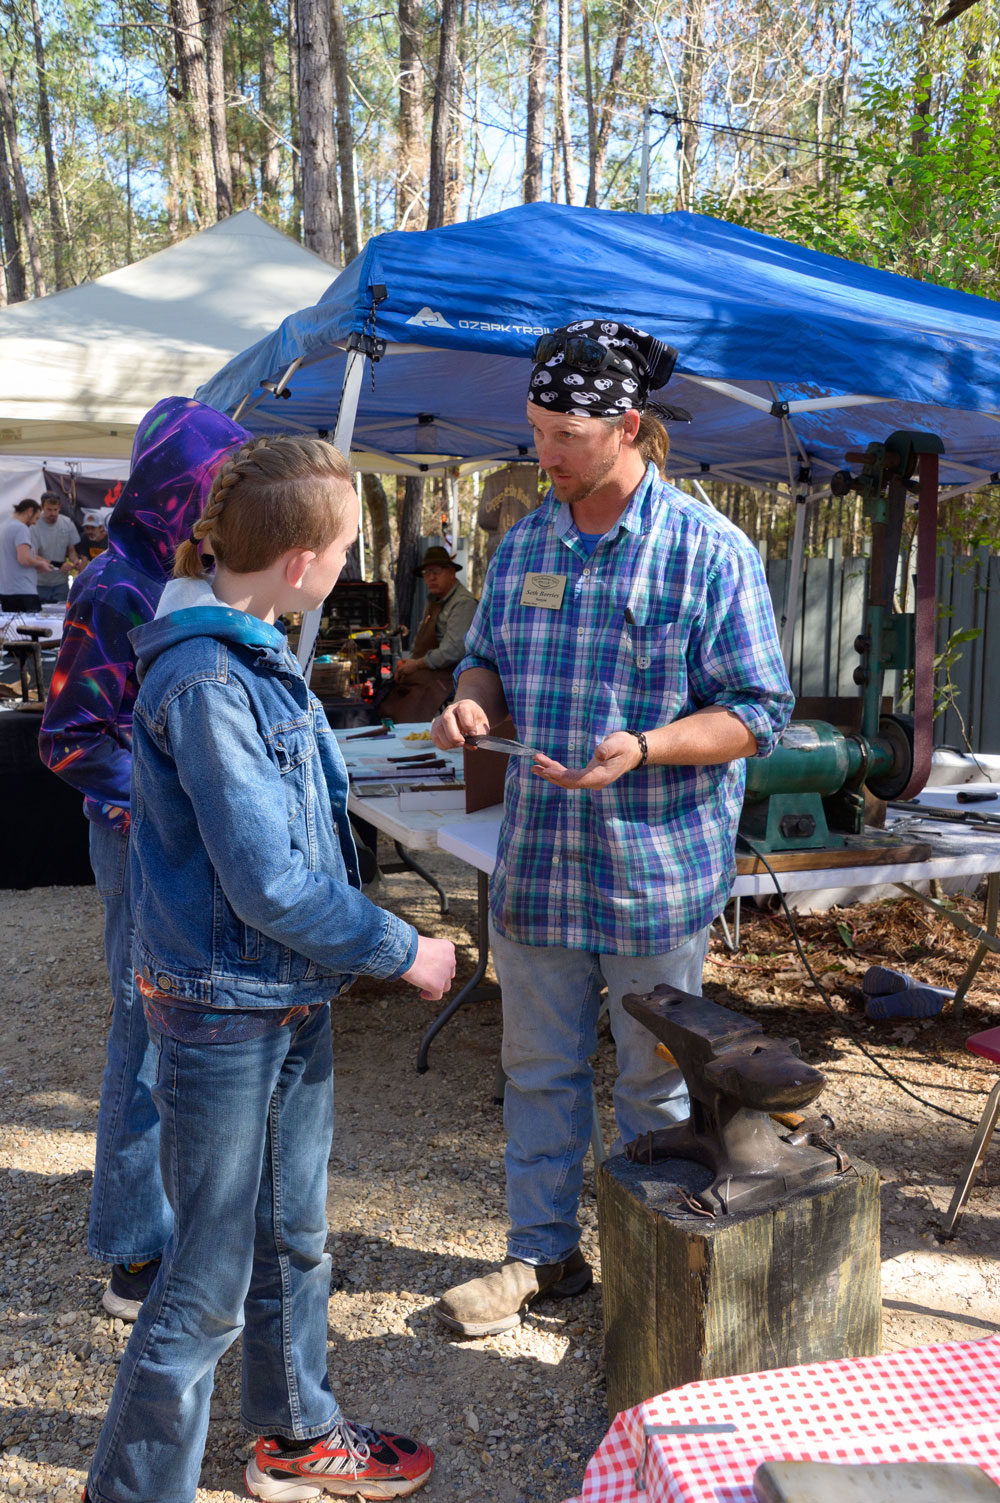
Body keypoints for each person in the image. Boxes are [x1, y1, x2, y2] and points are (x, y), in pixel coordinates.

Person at [83, 430, 452, 1503]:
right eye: (340, 551)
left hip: (280, 997)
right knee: (200, 1285)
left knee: (292, 1237)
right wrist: (405, 950)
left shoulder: (252, 647)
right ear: (300, 562)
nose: (343, 570)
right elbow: (269, 884)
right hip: (223, 1010)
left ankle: (295, 1435)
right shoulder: (206, 677)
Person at [430, 318, 794, 1338]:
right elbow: (486, 658)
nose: (542, 455)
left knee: (654, 1085)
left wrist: (646, 745)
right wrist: (470, 700)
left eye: (563, 437)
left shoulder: (708, 550)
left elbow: (759, 713)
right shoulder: (526, 543)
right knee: (536, 1073)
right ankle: (543, 1257)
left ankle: (657, 1273)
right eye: (536, 431)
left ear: (627, 426)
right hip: (539, 862)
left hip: (653, 872)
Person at [40, 397, 253, 1322]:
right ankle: (133, 1251)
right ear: (178, 487)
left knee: (178, 1027)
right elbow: (70, 736)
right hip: (136, 840)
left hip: (182, 834)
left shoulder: (185, 571)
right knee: (142, 1028)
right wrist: (171, 789)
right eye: (212, 491)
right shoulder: (114, 585)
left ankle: (164, 1225)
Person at [379, 544, 478, 722]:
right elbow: (421, 640)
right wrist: (408, 662)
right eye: (426, 573)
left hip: (450, 675)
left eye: (436, 571)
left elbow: (453, 651)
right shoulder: (434, 600)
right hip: (430, 668)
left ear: (451, 572)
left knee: (407, 709)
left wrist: (416, 664)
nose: (431, 577)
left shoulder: (463, 603)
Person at [0, 499, 53, 610]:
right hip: (23, 591)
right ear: (29, 511)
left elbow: (13, 557)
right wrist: (41, 564)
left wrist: (39, 562)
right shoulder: (21, 528)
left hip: (6, 590)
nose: (35, 522)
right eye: (36, 518)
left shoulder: (4, 526)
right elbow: (24, 559)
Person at [31, 490, 82, 604]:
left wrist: (75, 561)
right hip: (39, 582)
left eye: (55, 510)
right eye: (49, 510)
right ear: (42, 507)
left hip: (61, 583)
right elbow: (33, 555)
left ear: (60, 507)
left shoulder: (67, 523)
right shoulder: (34, 525)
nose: (53, 513)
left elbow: (71, 550)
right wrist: (58, 565)